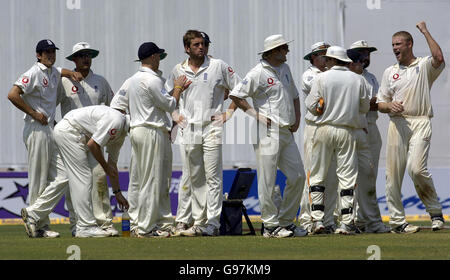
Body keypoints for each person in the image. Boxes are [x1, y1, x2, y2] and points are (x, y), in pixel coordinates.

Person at [165, 30, 241, 237]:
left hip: (212, 126)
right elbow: (168, 98)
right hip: (189, 129)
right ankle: (199, 221)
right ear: (187, 48)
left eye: (204, 44)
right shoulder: (177, 70)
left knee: (213, 176)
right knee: (195, 177)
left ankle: (213, 223)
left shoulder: (218, 66)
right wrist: (175, 116)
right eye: (197, 44)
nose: (202, 47)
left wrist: (228, 113)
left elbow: (240, 89)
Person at [230, 34, 307, 238]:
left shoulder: (285, 68)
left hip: (285, 131)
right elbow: (236, 95)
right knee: (268, 179)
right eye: (283, 48)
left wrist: (297, 119)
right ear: (272, 51)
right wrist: (256, 115)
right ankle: (271, 226)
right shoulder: (258, 73)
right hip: (266, 131)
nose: (287, 51)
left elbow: (295, 96)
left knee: (298, 175)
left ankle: (286, 222)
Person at [7, 39, 82, 238]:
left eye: (52, 52)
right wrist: (33, 113)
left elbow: (60, 70)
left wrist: (72, 73)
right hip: (36, 128)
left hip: (50, 129)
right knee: (38, 179)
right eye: (46, 52)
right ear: (38, 55)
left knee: (65, 175)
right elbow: (12, 94)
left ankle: (35, 215)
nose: (50, 55)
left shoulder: (53, 71)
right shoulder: (32, 73)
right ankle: (39, 227)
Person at [377, 22, 446, 233]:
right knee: (393, 175)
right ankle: (398, 222)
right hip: (397, 123)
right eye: (392, 45)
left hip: (420, 121)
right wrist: (389, 106)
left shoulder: (423, 66)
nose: (395, 48)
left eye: (398, 44)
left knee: (416, 168)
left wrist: (425, 30)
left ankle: (435, 213)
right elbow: (381, 103)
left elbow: (439, 58)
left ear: (409, 44)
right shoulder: (390, 72)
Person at [25, 105, 130, 238]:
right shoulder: (117, 121)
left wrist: (118, 193)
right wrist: (105, 166)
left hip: (70, 132)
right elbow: (93, 145)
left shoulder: (121, 134)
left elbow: (112, 166)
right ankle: (85, 226)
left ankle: (33, 213)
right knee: (84, 177)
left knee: (64, 177)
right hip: (70, 131)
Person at [123, 42, 191, 238]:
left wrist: (177, 91)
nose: (160, 59)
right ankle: (145, 228)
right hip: (151, 131)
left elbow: (158, 103)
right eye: (158, 56)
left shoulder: (135, 79)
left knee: (145, 179)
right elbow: (170, 104)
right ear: (152, 57)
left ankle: (148, 222)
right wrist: (177, 88)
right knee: (151, 180)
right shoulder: (152, 80)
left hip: (139, 129)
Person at [305, 46, 370, 235]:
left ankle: (317, 221)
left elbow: (311, 105)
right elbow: (364, 107)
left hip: (324, 128)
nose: (325, 62)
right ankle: (346, 222)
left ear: (332, 60)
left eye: (327, 59)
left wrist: (321, 108)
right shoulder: (359, 80)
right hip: (347, 130)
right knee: (347, 176)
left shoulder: (321, 78)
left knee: (318, 175)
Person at [347, 41, 391, 233]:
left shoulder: (371, 77)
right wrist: (374, 102)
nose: (367, 57)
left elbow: (379, 102)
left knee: (369, 175)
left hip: (371, 126)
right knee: (351, 175)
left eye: (368, 53)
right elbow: (368, 103)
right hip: (354, 127)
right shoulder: (348, 77)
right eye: (362, 53)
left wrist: (375, 102)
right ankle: (352, 218)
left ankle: (366, 219)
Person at [298, 41, 340, 234]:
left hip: (331, 127)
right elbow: (324, 89)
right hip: (314, 128)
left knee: (332, 176)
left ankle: (328, 219)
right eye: (323, 55)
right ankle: (308, 220)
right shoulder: (309, 74)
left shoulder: (333, 74)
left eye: (329, 55)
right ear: (313, 57)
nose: (327, 58)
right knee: (313, 174)